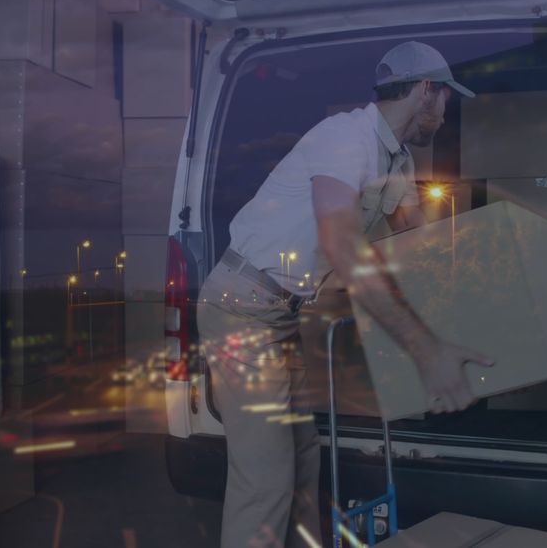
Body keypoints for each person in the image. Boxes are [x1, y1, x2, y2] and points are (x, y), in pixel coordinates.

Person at [196, 41, 495, 548]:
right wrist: (427, 352)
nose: (446, 114)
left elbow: (416, 243)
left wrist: (486, 324)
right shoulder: (345, 137)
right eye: (445, 99)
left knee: (304, 459)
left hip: (279, 316)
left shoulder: (395, 159)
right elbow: (341, 243)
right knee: (265, 480)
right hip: (241, 309)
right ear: (425, 91)